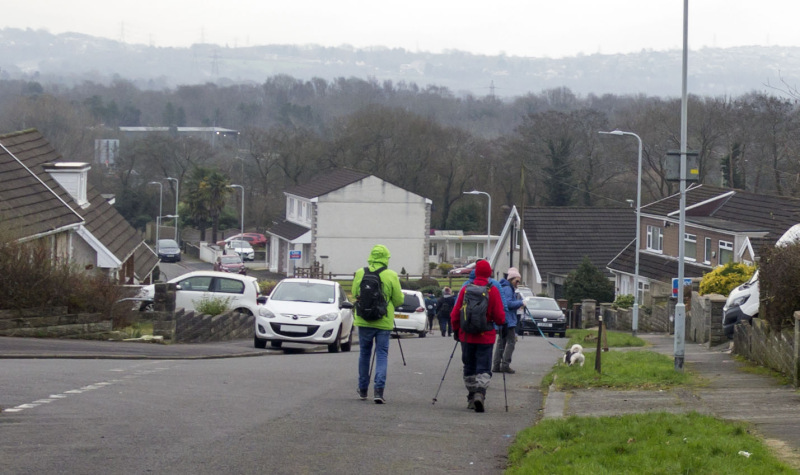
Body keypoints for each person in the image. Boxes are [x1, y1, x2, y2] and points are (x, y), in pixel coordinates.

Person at [450, 260, 506, 413]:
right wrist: (500, 323)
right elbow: (500, 316)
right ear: (489, 273)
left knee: (469, 366)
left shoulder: (465, 289)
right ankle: (480, 393)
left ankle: (470, 396)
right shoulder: (492, 290)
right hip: (485, 335)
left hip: (466, 335)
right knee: (483, 366)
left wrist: (456, 330)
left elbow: (455, 313)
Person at [352, 244, 404, 404]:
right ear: (386, 258)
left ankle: (362, 389)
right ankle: (378, 391)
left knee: (364, 354)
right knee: (382, 355)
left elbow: (355, 293)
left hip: (364, 320)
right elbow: (398, 299)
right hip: (383, 321)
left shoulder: (361, 272)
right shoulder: (391, 275)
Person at [493, 267, 525, 374]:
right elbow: (507, 304)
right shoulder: (507, 289)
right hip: (508, 321)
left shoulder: (505, 287)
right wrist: (521, 303)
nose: (518, 283)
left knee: (501, 342)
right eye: (517, 280)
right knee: (511, 342)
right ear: (511, 279)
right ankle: (505, 365)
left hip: (504, 319)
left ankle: (496, 365)